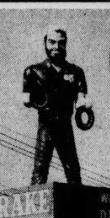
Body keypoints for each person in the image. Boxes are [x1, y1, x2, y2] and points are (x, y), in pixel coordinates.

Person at [22, 27, 90, 185]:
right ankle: (38, 207)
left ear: (66, 45)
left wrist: (84, 104)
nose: (56, 47)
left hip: (65, 125)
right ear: (45, 43)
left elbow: (82, 98)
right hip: (46, 125)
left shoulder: (75, 72)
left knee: (73, 169)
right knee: (40, 169)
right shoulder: (33, 71)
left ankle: (77, 208)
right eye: (52, 42)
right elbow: (26, 99)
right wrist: (34, 99)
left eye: (61, 43)